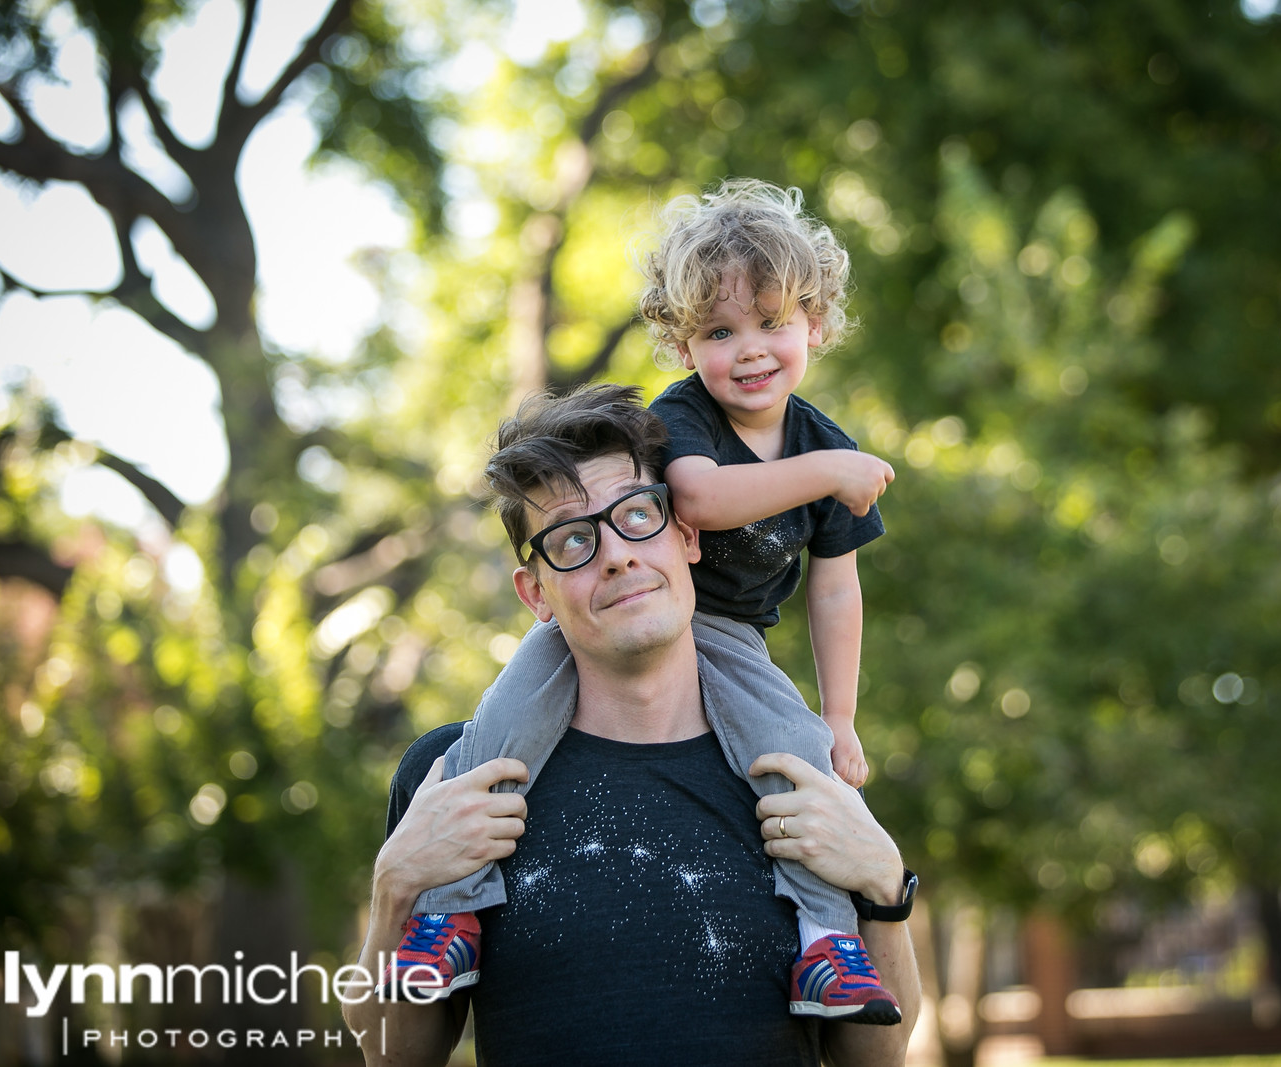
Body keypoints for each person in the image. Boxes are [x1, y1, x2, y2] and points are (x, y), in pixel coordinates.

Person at [392, 180, 901, 1020]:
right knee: (500, 728)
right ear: (682, 343)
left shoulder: (825, 445)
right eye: (718, 331)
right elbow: (697, 498)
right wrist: (828, 477)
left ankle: (826, 941)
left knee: (795, 756)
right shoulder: (688, 420)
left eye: (773, 321)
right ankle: (450, 920)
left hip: (728, 633)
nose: (749, 350)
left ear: (816, 324)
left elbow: (836, 591)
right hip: (615, 618)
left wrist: (842, 716)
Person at [343, 386, 920, 1065]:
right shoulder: (458, 777)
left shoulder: (797, 773)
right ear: (537, 593)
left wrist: (885, 887)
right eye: (572, 539)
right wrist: (393, 892)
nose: (616, 553)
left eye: (637, 515)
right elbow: (395, 1057)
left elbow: (872, 1058)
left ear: (686, 536)